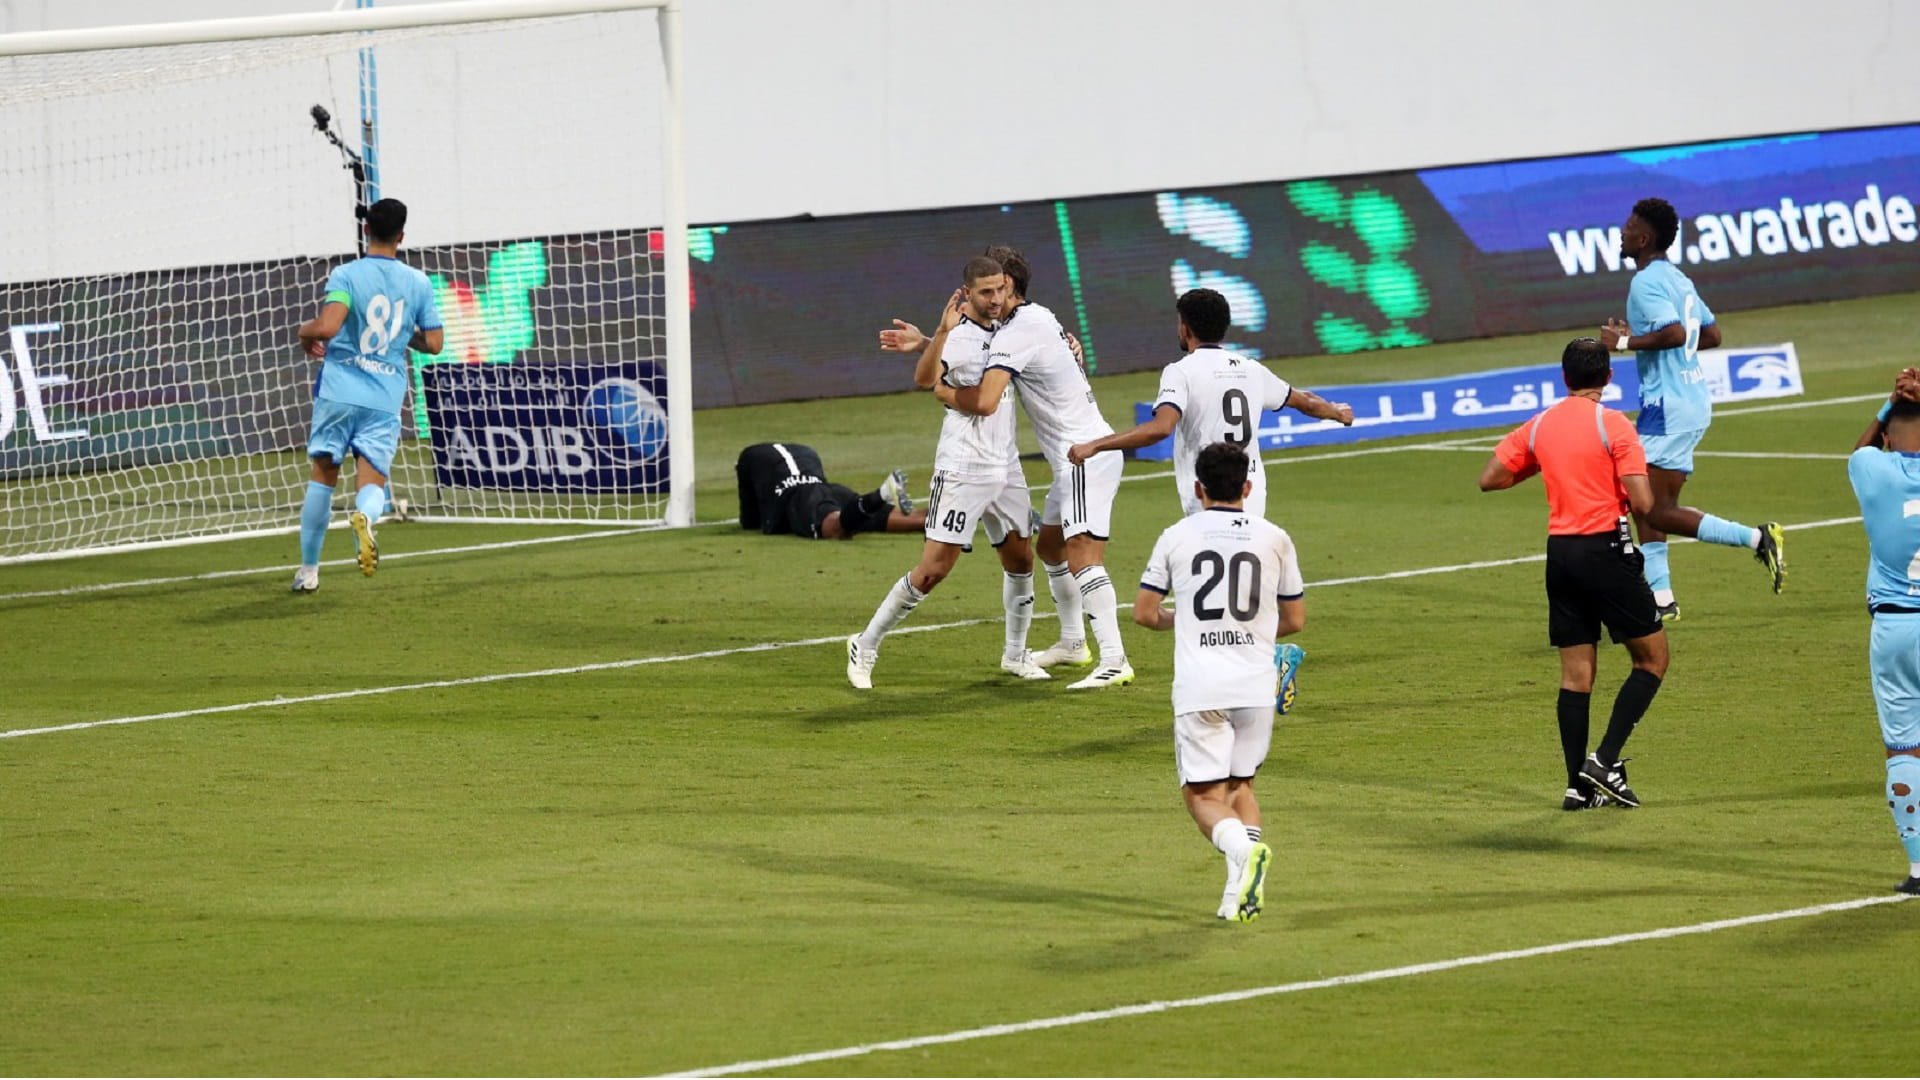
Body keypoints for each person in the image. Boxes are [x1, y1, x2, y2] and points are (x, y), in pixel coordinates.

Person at [1478, 338, 1669, 810]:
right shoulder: (1613, 425)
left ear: (1564, 378)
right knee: (1652, 659)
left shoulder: (1541, 424)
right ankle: (1604, 760)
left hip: (1560, 555)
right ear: (1607, 377)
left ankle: (1576, 788)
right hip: (1605, 549)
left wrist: (1542, 465)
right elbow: (1644, 504)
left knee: (1575, 675)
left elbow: (1491, 477)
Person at [935, 245, 1133, 690]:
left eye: (994, 287)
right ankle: (1072, 643)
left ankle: (1115, 659)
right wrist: (929, 342)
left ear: (1008, 287)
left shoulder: (1016, 333)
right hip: (1079, 453)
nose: (986, 298)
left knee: (1083, 557)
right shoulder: (1040, 318)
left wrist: (946, 394)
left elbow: (985, 400)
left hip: (1085, 455)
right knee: (1050, 548)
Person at [848, 256, 1051, 686]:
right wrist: (937, 336)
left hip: (1007, 466)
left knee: (1021, 558)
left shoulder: (1010, 327)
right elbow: (925, 380)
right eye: (985, 292)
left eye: (1000, 290)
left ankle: (1016, 654)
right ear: (968, 293)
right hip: (963, 468)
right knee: (934, 569)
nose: (995, 299)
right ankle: (865, 644)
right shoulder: (956, 334)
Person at [1134, 442, 1305, 921]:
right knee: (1241, 789)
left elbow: (1145, 615)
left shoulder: (1177, 535)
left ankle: (1245, 856)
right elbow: (1294, 619)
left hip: (1202, 686)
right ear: (1247, 487)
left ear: (1197, 487)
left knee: (1202, 798)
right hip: (1256, 683)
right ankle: (1237, 895)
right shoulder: (1275, 537)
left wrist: (1183, 619)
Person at [1599, 196, 1784, 620]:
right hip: (1689, 398)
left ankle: (1757, 539)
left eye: (1628, 227)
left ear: (1643, 238)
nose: (1622, 233)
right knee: (1649, 501)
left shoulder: (1645, 283)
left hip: (1669, 405)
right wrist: (1646, 336)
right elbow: (1711, 334)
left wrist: (1626, 343)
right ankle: (1661, 599)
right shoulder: (1677, 278)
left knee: (1648, 505)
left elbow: (1676, 332)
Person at [1066, 287, 1353, 519]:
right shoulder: (1251, 369)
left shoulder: (1181, 371)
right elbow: (1305, 401)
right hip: (1250, 490)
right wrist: (1337, 413)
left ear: (1186, 327)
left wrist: (1096, 444)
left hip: (1206, 489)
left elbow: (1161, 428)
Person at [292, 198, 443, 593]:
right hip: (383, 397)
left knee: (323, 475)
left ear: (365, 231)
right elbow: (434, 343)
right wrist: (401, 331)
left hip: (340, 390)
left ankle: (308, 572)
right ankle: (366, 518)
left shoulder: (346, 274)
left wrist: (304, 334)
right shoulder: (419, 283)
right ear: (402, 236)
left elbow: (327, 327)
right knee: (372, 481)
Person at [1844, 367, 1920, 895]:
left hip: (1895, 629)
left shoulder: (1871, 470)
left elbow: (1861, 447)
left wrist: (1887, 405)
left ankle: (1919, 869)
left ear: (1889, 437)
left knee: (1903, 751)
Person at [735, 442, 924, 540]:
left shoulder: (748, 458)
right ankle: (948, 518)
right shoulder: (804, 451)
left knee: (836, 529)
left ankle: (881, 495)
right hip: (829, 489)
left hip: (800, 497)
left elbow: (750, 522)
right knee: (912, 518)